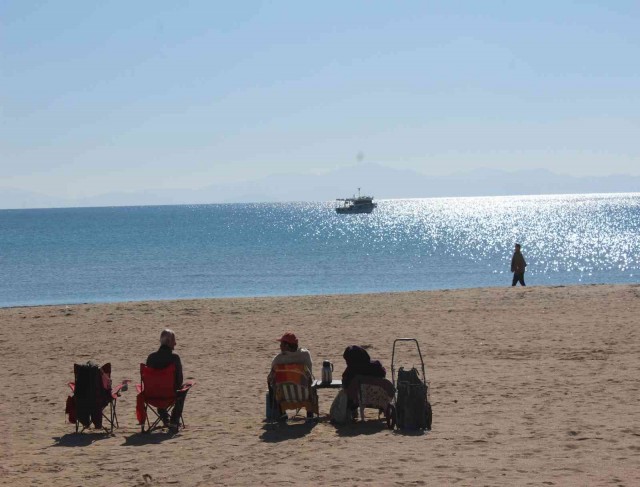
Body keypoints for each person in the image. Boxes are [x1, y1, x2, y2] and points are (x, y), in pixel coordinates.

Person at [146, 329, 186, 431]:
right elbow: (179, 380)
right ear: (168, 342)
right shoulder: (175, 358)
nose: (175, 343)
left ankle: (165, 417)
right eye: (174, 341)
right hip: (170, 395)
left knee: (159, 386)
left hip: (152, 395)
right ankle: (174, 420)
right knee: (184, 389)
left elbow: (147, 381)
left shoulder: (151, 358)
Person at [267, 332, 314, 419]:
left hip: (284, 397)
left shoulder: (278, 360)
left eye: (281, 344)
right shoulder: (305, 355)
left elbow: (271, 378)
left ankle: (282, 412)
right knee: (309, 383)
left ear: (287, 346)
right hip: (305, 395)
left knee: (273, 383)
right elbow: (310, 374)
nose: (280, 346)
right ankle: (310, 413)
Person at [341, 345, 387, 418]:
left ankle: (352, 411)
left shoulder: (350, 372)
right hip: (377, 396)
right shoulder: (376, 366)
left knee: (347, 390)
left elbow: (345, 385)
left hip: (358, 398)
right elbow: (383, 375)